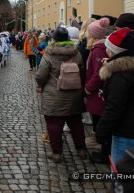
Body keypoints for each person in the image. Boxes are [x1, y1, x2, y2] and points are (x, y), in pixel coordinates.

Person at [35, 27, 87, 163]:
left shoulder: (49, 54)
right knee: (76, 123)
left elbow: (41, 75)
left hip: (54, 95)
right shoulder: (77, 53)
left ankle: (57, 153)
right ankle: (81, 150)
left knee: (54, 124)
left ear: (54, 39)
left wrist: (41, 85)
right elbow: (82, 73)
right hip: (74, 94)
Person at [96, 28, 134, 165]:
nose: (106, 50)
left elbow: (115, 107)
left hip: (126, 133)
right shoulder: (127, 69)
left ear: (116, 52)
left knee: (122, 179)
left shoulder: (120, 75)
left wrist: (102, 131)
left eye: (108, 48)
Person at [85, 17, 110, 163]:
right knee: (97, 117)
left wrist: (88, 88)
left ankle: (101, 146)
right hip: (98, 90)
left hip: (97, 91)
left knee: (98, 118)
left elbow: (98, 73)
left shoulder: (99, 50)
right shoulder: (99, 48)